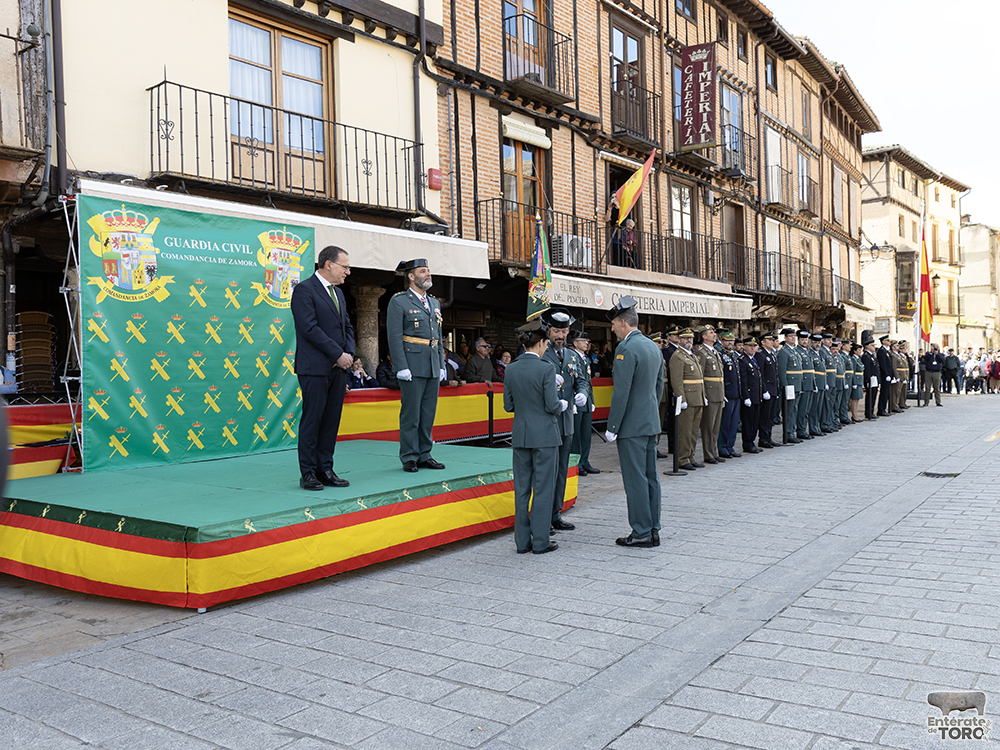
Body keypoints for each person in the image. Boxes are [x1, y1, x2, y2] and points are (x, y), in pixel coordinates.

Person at [291, 245, 355, 491]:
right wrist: (337, 354)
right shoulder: (304, 290)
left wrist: (347, 353)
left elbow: (347, 326)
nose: (348, 272)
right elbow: (309, 328)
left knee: (331, 421)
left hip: (338, 368)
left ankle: (325, 469)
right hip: (315, 368)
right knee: (313, 420)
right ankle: (308, 472)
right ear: (328, 264)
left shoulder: (338, 294)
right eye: (345, 267)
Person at [603, 297, 664, 548]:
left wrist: (612, 426)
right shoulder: (652, 347)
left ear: (622, 322)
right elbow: (658, 387)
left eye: (614, 325)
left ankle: (640, 532)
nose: (613, 330)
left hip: (631, 426)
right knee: (651, 476)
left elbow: (621, 392)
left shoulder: (626, 349)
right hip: (650, 422)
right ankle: (653, 528)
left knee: (635, 479)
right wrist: (649, 411)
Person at [503, 324, 566, 555]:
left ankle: (522, 542)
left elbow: (508, 405)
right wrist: (562, 404)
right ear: (540, 343)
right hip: (545, 436)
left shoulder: (511, 369)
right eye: (546, 343)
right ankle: (540, 541)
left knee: (521, 489)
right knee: (542, 488)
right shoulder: (546, 368)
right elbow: (552, 405)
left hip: (521, 435)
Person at [387, 258, 447, 473]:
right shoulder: (399, 301)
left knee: (428, 413)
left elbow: (437, 336)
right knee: (411, 414)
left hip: (431, 364)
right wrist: (401, 366)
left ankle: (425, 453)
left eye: (428, 270)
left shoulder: (434, 302)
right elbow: (394, 337)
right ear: (411, 276)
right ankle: (409, 456)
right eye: (423, 271)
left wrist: (441, 364)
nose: (428, 274)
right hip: (412, 364)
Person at [541, 307, 588, 532]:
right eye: (556, 331)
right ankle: (542, 516)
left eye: (564, 331)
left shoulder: (571, 355)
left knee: (561, 469)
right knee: (546, 471)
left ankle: (555, 513)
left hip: (566, 421)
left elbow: (581, 380)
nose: (560, 335)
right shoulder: (541, 353)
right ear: (548, 330)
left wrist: (583, 394)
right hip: (547, 420)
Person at [670, 328, 705, 469]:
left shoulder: (691, 355)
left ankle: (690, 456)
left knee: (694, 430)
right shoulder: (677, 356)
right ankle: (682, 459)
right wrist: (681, 399)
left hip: (697, 398)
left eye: (690, 338)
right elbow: (677, 381)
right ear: (679, 340)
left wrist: (704, 396)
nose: (689, 340)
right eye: (685, 338)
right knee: (685, 430)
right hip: (688, 399)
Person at [569, 329, 600, 476]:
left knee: (586, 434)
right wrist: (573, 401)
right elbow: (573, 380)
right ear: (575, 343)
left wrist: (591, 400)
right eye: (583, 340)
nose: (587, 343)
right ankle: (577, 463)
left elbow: (588, 382)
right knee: (576, 435)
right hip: (577, 400)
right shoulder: (572, 357)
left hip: (586, 400)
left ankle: (585, 461)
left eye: (587, 341)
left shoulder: (585, 358)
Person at [695, 326, 725, 465]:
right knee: (708, 426)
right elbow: (699, 375)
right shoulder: (701, 352)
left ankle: (714, 451)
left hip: (718, 392)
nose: (714, 335)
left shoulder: (715, 352)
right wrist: (704, 395)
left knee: (715, 426)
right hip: (710, 392)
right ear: (704, 337)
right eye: (711, 333)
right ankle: (708, 454)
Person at [775, 327, 802, 444]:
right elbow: (782, 371)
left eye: (794, 336)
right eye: (790, 336)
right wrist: (785, 385)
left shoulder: (794, 351)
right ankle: (788, 433)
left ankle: (792, 431)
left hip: (797, 385)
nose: (793, 338)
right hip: (790, 385)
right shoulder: (783, 352)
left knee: (794, 409)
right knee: (789, 410)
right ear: (785, 338)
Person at [717, 331, 742, 459]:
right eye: (727, 340)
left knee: (733, 423)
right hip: (727, 393)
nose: (730, 343)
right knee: (725, 423)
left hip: (736, 393)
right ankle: (722, 447)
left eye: (732, 341)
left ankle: (730, 446)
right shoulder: (720, 355)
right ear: (721, 341)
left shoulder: (734, 356)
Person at [738, 337, 763, 454]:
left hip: (756, 396)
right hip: (749, 396)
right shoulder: (742, 360)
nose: (752, 348)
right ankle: (747, 444)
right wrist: (746, 396)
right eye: (750, 346)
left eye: (754, 346)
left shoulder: (754, 359)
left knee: (755, 421)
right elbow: (743, 380)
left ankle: (752, 442)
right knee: (748, 422)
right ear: (744, 347)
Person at [755, 332, 778, 448]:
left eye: (772, 340)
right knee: (764, 416)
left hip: (773, 389)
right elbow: (761, 375)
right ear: (763, 342)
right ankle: (763, 439)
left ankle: (768, 437)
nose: (772, 341)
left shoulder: (771, 354)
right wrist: (764, 390)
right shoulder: (760, 355)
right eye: (769, 340)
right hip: (767, 390)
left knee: (770, 416)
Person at [795, 329, 815, 440]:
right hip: (803, 384)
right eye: (802, 339)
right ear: (798, 340)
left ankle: (803, 429)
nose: (804, 341)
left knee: (806, 409)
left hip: (809, 384)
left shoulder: (806, 352)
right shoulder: (797, 351)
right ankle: (800, 430)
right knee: (802, 409)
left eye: (806, 339)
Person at [861, 331, 879, 420]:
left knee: (874, 395)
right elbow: (867, 369)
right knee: (870, 396)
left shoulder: (872, 356)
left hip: (874, 378)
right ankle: (868, 412)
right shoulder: (866, 356)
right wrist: (867, 380)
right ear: (868, 346)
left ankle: (871, 411)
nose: (874, 347)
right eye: (872, 345)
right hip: (870, 378)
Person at [877, 334, 894, 416]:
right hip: (884, 376)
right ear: (883, 342)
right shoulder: (881, 351)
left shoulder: (887, 351)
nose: (889, 342)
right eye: (887, 340)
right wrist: (886, 374)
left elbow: (890, 365)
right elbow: (883, 364)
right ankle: (881, 409)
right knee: (883, 393)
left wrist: (892, 375)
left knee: (886, 393)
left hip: (888, 375)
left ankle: (883, 408)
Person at [849, 343, 864, 422]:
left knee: (858, 398)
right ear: (854, 351)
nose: (860, 351)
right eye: (858, 350)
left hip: (859, 380)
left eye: (861, 350)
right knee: (854, 399)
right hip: (856, 381)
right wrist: (854, 382)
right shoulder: (853, 359)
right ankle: (854, 415)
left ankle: (856, 415)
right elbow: (853, 371)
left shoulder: (858, 358)